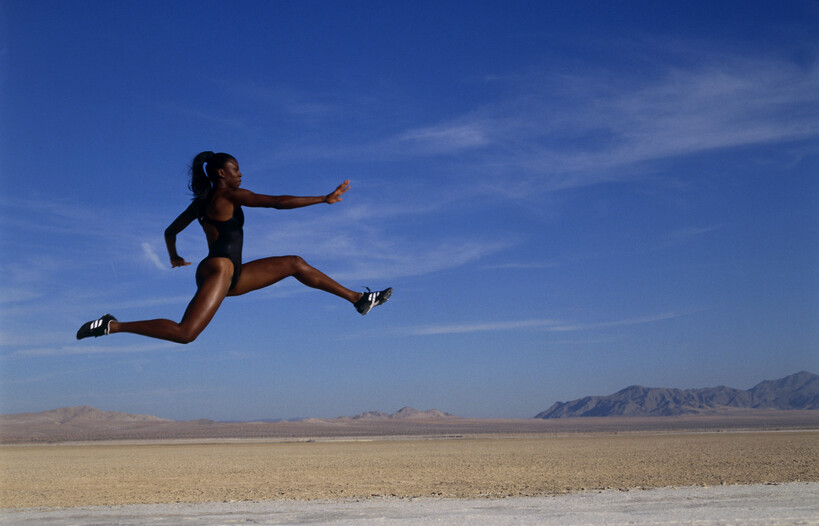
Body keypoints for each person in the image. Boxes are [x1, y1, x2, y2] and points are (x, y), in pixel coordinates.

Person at [77, 151, 391, 343]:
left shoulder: (201, 203)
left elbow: (170, 231)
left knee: (294, 263)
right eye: (236, 170)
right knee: (186, 333)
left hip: (232, 273)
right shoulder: (226, 195)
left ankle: (359, 299)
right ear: (220, 173)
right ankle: (111, 325)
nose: (240, 175)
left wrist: (174, 256)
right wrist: (323, 199)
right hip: (220, 268)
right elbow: (276, 203)